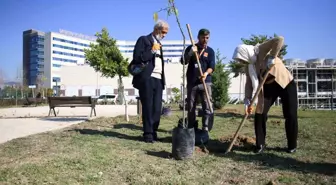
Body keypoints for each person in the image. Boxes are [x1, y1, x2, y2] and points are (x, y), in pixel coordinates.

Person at [232, 36, 298, 154]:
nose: (242, 61)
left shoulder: (260, 50)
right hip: (268, 88)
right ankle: (260, 144)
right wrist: (247, 100)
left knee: (290, 114)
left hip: (285, 83)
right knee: (260, 113)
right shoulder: (249, 66)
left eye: (241, 58)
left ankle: (292, 145)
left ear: (245, 53)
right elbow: (248, 84)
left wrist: (272, 57)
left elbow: (279, 40)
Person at [131, 20, 169, 143]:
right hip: (147, 78)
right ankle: (148, 134)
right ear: (157, 29)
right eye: (163, 32)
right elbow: (137, 58)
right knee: (147, 106)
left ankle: (154, 131)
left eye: (166, 33)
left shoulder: (159, 44)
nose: (164, 35)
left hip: (158, 78)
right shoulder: (144, 40)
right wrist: (152, 50)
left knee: (157, 108)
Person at [182, 28, 215, 133]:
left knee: (207, 104)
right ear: (198, 37)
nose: (205, 40)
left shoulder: (210, 51)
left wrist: (205, 74)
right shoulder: (191, 48)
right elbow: (183, 61)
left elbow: (212, 66)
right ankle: (192, 127)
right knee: (191, 105)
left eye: (207, 38)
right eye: (203, 37)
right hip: (192, 82)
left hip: (206, 82)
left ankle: (205, 127)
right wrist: (191, 53)